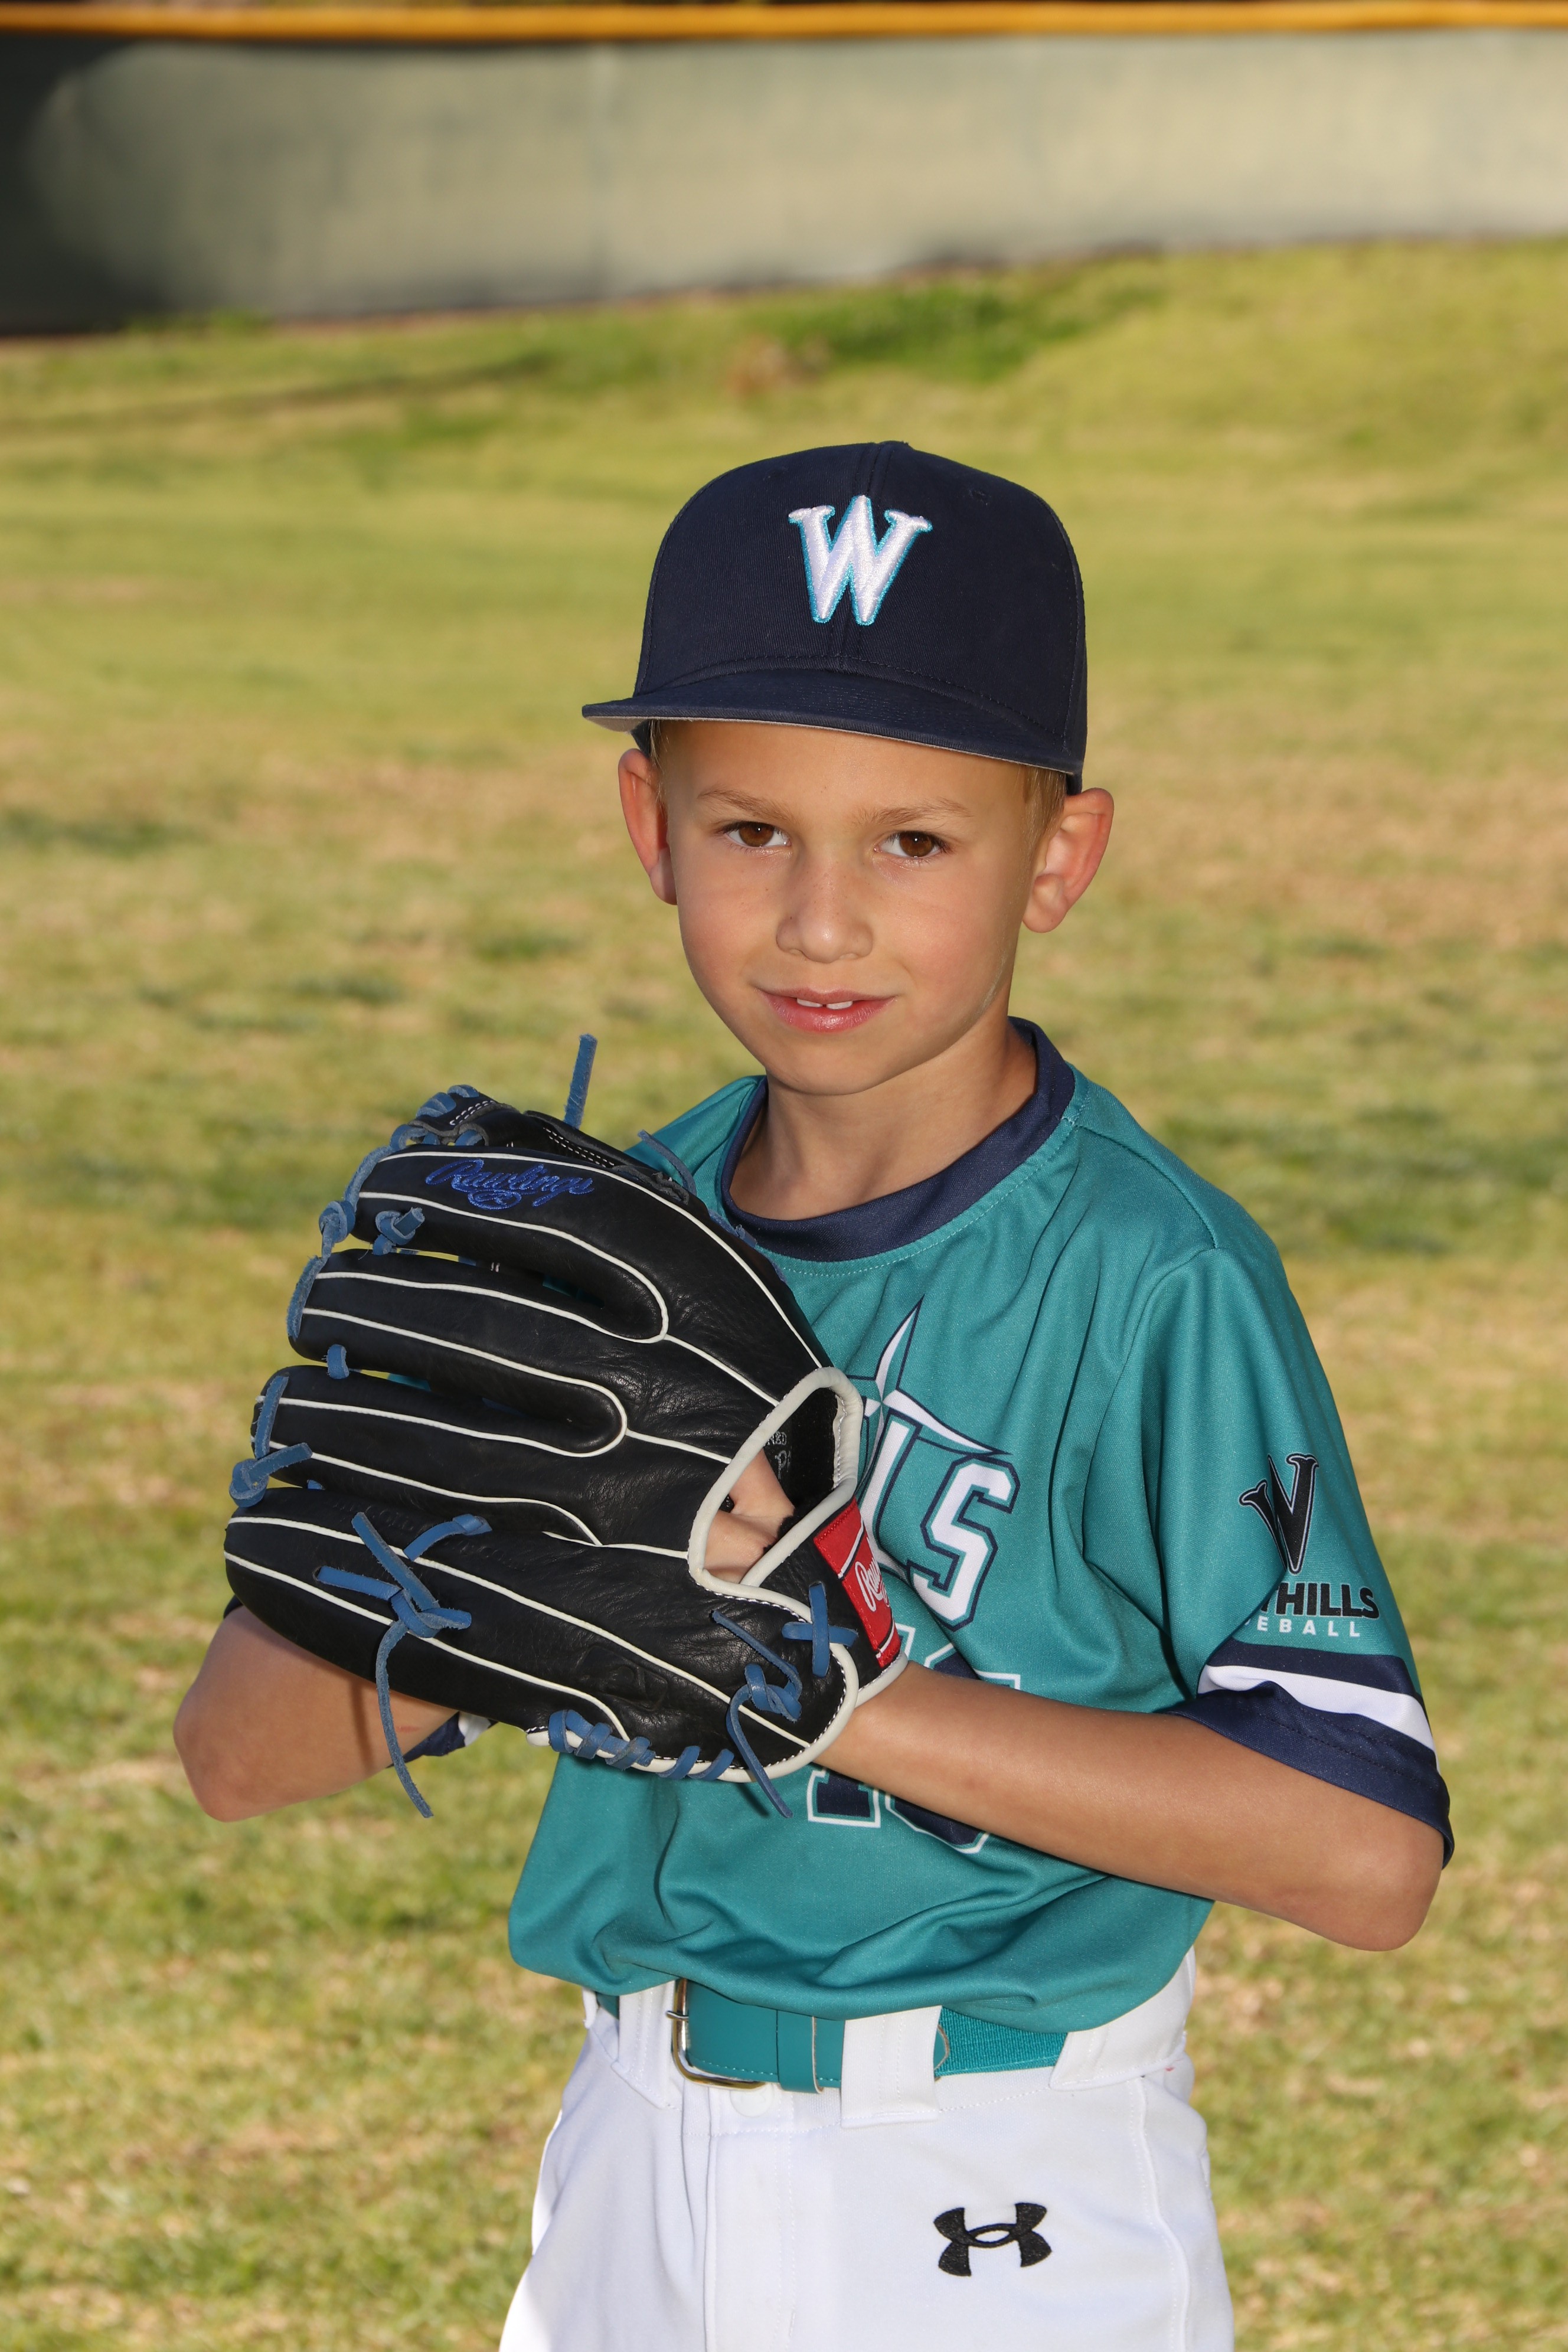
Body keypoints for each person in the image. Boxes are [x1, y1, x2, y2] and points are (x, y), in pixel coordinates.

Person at [177, 443, 1449, 2351]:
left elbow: (1364, 1856)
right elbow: (237, 1759)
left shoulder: (1149, 1277)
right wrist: (526, 1580)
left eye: (913, 841)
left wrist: (827, 1684)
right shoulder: (610, 1254)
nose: (821, 921)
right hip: (630, 2157)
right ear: (648, 822)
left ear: (1061, 855)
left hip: (995, 2172)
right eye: (753, 829)